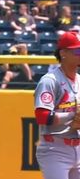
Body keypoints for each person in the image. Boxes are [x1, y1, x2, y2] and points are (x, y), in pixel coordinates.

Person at [34, 31, 80, 179]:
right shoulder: (50, 80)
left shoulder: (79, 79)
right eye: (77, 50)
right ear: (63, 53)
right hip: (55, 148)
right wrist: (72, 115)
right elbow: (42, 117)